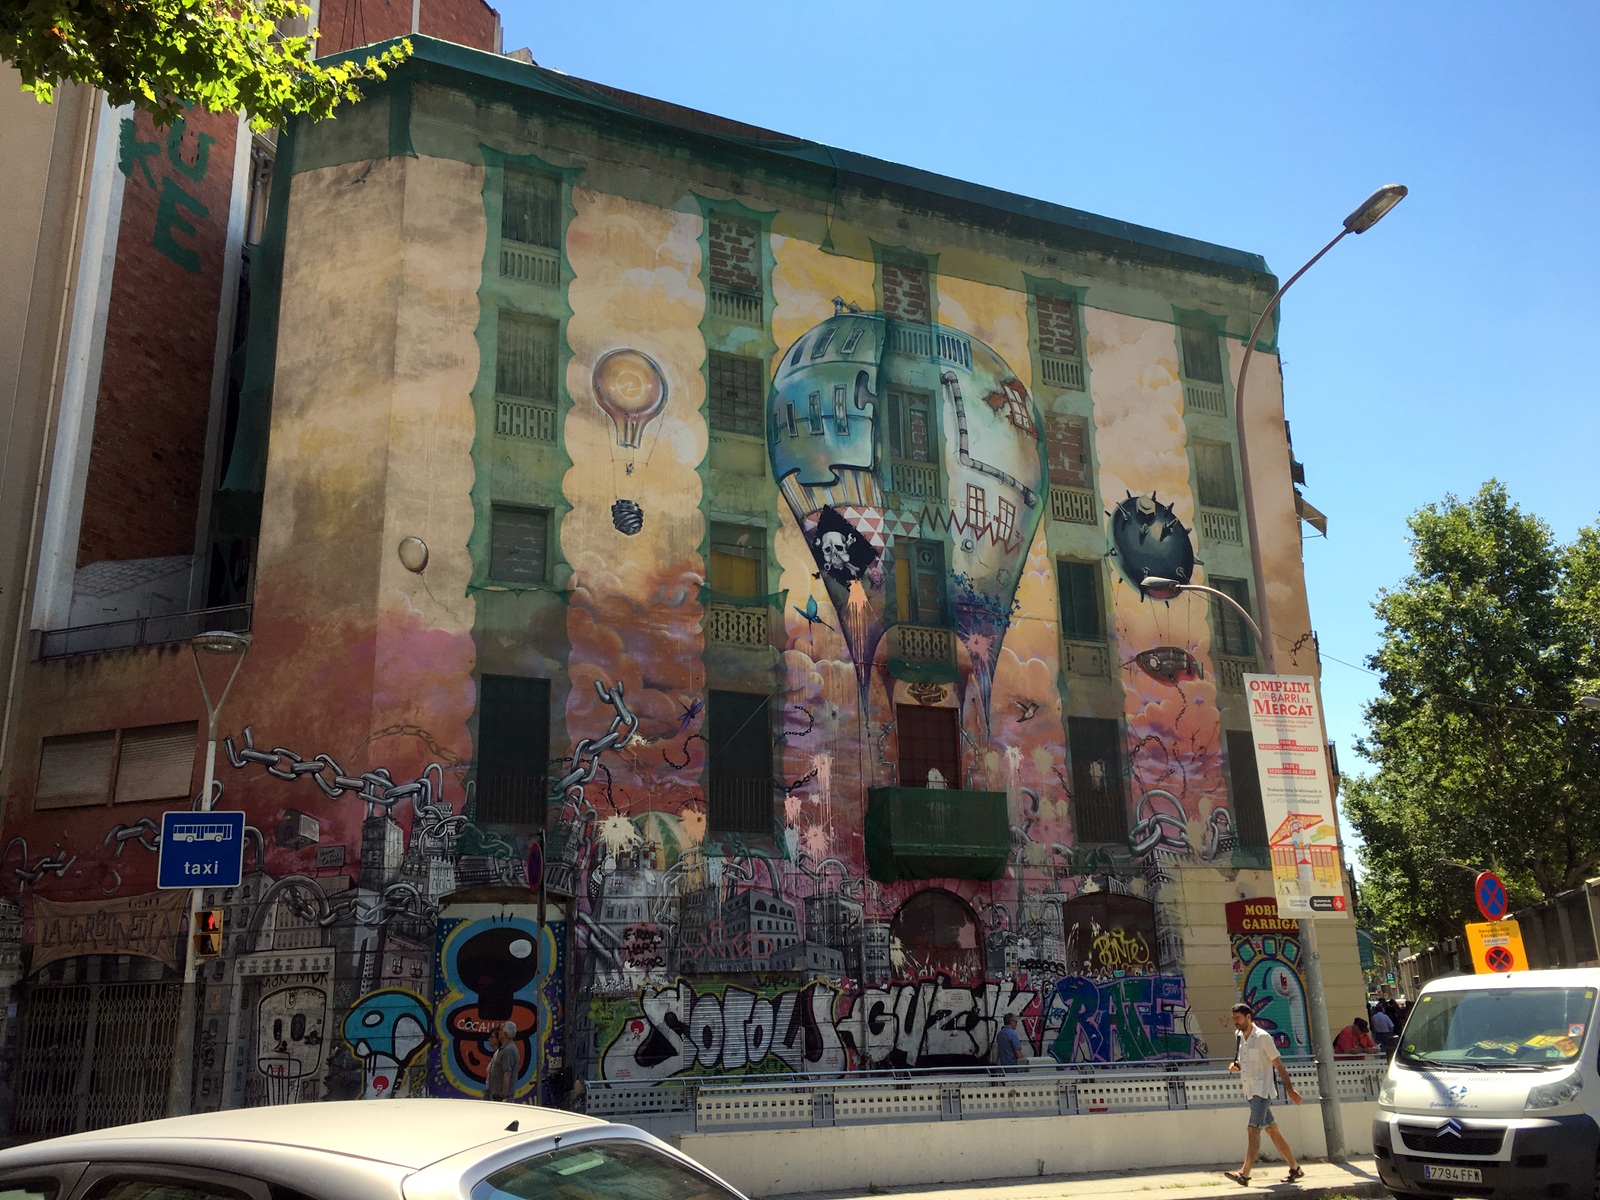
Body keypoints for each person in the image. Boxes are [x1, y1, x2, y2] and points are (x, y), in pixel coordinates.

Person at [1224, 1003, 1304, 1186]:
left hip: (1262, 1091)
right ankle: (1295, 1168)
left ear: (1248, 1017)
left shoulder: (1263, 1037)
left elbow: (1278, 1065)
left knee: (1253, 1129)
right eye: (1234, 1018)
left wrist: (1290, 1090)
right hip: (1250, 1091)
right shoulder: (1239, 1037)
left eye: (1238, 1018)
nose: (1235, 1021)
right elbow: (1244, 1061)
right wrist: (1236, 1066)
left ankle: (1244, 1173)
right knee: (1272, 1130)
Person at [484, 1020, 520, 1102]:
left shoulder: (508, 1050)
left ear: (505, 1034)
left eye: (501, 1030)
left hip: (501, 1099)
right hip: (496, 1095)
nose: (499, 1032)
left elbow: (507, 1073)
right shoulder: (504, 1049)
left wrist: (503, 1095)